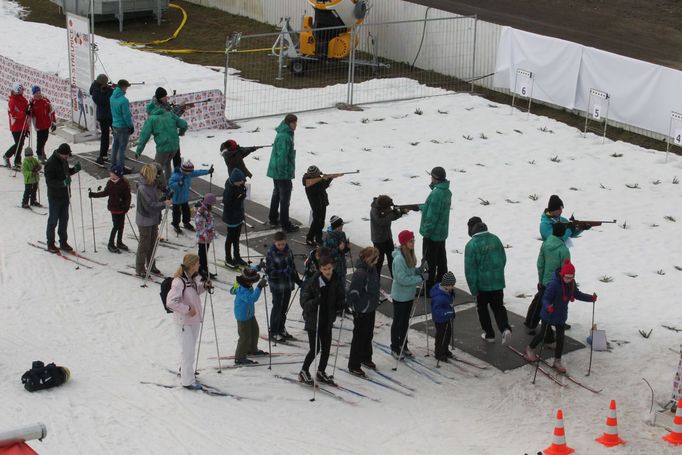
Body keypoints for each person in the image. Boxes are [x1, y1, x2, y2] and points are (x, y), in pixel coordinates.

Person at [525, 260, 597, 373]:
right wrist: (548, 306)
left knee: (560, 338)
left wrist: (590, 298)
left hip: (560, 315)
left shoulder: (571, 284)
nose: (568, 280)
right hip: (548, 313)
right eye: (567, 277)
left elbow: (577, 294)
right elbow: (545, 298)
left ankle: (557, 361)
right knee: (542, 334)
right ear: (562, 275)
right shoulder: (554, 284)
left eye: (571, 277)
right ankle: (530, 348)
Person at [166, 253, 213, 389]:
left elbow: (194, 292)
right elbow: (171, 302)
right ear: (192, 265)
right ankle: (187, 381)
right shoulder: (178, 282)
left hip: (194, 320)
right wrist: (187, 309)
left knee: (190, 349)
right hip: (183, 322)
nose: (199, 265)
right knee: (188, 351)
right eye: (197, 263)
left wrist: (205, 286)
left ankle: (185, 370)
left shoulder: (192, 279)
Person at [464, 216, 512, 345]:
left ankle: (489, 334)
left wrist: (473, 290)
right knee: (498, 307)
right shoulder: (495, 239)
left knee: (482, 309)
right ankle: (505, 329)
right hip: (497, 283)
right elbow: (503, 259)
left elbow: (470, 270)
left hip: (482, 286)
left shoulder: (471, 245)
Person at [298, 256, 345, 385]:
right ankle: (303, 371)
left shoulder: (336, 280)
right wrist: (315, 301)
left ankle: (321, 371)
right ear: (320, 269)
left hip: (327, 319)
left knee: (326, 348)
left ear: (333, 267)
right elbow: (304, 302)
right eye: (324, 269)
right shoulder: (314, 281)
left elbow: (340, 296)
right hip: (314, 320)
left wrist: (341, 304)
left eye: (329, 268)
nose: (327, 271)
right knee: (315, 348)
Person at [525, 222, 571, 337]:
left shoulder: (545, 244)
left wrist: (541, 280)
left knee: (541, 302)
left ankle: (531, 323)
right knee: (552, 307)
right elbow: (566, 271)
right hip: (557, 284)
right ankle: (549, 334)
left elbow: (540, 264)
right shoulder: (564, 250)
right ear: (563, 233)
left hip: (546, 282)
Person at [136, 87, 188, 186]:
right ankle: (170, 184)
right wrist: (181, 132)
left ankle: (163, 186)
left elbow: (144, 136)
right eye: (164, 96)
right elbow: (183, 124)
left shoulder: (151, 119)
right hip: (174, 145)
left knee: (157, 167)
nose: (166, 98)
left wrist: (139, 150)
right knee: (167, 164)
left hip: (163, 147)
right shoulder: (168, 113)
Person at [390, 230, 428, 358]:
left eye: (413, 240)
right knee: (398, 322)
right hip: (400, 296)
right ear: (404, 243)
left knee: (405, 322)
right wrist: (420, 278)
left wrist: (419, 270)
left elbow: (410, 273)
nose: (413, 243)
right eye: (410, 241)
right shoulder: (399, 259)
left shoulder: (409, 254)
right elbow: (403, 279)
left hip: (408, 295)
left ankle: (403, 344)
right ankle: (395, 347)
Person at [347, 246, 381, 377]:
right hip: (361, 309)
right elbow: (354, 291)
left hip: (370, 308)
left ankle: (365, 357)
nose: (378, 260)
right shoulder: (360, 273)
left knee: (368, 335)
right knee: (359, 337)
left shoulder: (372, 270)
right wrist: (349, 303)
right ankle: (353, 364)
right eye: (376, 257)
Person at [419, 166, 452, 293]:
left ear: (435, 178)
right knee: (441, 260)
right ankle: (441, 284)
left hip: (432, 234)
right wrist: (420, 207)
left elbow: (432, 216)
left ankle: (427, 288)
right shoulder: (446, 192)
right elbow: (436, 209)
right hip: (441, 233)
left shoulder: (436, 193)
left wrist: (426, 233)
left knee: (428, 262)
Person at [135, 163, 171, 277]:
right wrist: (163, 203)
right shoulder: (143, 188)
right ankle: (140, 268)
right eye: (156, 175)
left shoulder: (153, 182)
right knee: (144, 245)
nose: (157, 177)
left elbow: (160, 183)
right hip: (145, 219)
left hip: (154, 218)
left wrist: (167, 191)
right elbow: (149, 206)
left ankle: (151, 264)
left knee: (153, 243)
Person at [44, 144, 81, 253]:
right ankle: (50, 243)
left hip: (65, 195)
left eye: (67, 155)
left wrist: (74, 169)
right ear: (60, 153)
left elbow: (66, 173)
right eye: (65, 155)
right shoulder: (50, 163)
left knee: (64, 220)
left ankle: (63, 242)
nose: (66, 157)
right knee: (53, 220)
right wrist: (63, 183)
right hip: (55, 196)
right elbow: (49, 182)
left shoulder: (63, 160)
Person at [265, 231, 302, 341]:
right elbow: (270, 272)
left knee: (284, 308)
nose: (281, 246)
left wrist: (297, 280)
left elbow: (293, 267)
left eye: (283, 244)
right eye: (279, 244)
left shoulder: (288, 251)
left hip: (287, 285)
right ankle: (274, 331)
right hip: (277, 286)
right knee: (277, 308)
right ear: (274, 242)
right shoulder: (271, 253)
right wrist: (281, 272)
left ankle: (281, 328)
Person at [266, 113, 299, 232]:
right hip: (282, 172)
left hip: (276, 171)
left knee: (277, 194)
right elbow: (282, 156)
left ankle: (273, 218)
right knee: (285, 199)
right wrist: (284, 173)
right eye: (294, 123)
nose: (296, 125)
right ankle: (285, 224)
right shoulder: (285, 136)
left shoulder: (283, 134)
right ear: (288, 123)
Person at [88, 164, 132, 253]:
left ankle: (119, 242)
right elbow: (105, 193)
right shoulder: (110, 182)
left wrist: (126, 207)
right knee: (116, 226)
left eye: (112, 173)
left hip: (121, 209)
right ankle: (110, 244)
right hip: (114, 209)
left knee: (121, 226)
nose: (110, 174)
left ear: (117, 175)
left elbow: (128, 197)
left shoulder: (124, 184)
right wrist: (94, 195)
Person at [231, 268, 268, 365]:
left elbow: (250, 269)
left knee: (255, 331)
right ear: (248, 281)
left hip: (250, 314)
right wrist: (259, 287)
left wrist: (259, 266)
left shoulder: (246, 281)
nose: (253, 284)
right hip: (243, 316)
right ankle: (239, 357)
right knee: (244, 337)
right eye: (252, 282)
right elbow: (252, 298)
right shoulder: (242, 290)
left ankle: (252, 349)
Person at [167, 160, 212, 234]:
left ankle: (186, 222)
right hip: (177, 199)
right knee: (176, 213)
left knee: (186, 212)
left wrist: (208, 171)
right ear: (184, 170)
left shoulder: (189, 173)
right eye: (189, 172)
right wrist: (178, 184)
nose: (190, 173)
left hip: (184, 198)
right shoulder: (176, 175)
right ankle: (175, 224)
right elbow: (171, 184)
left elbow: (198, 172)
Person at [302, 165, 341, 246]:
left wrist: (327, 177)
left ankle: (318, 238)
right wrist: (330, 178)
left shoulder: (315, 179)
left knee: (321, 221)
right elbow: (322, 186)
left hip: (321, 202)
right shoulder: (309, 183)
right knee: (316, 221)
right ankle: (309, 238)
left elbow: (321, 183)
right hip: (317, 205)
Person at [370, 195, 405, 279]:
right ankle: (375, 280)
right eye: (388, 206)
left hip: (388, 237)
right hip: (378, 240)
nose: (389, 208)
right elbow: (382, 221)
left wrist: (400, 213)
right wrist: (392, 213)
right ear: (383, 206)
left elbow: (392, 217)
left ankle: (395, 278)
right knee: (379, 261)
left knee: (392, 259)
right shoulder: (374, 210)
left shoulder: (385, 207)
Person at [222, 168, 247, 268]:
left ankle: (237, 256)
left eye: (242, 181)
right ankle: (228, 258)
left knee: (236, 238)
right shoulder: (229, 189)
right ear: (234, 181)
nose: (242, 182)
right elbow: (227, 203)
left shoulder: (239, 185)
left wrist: (243, 193)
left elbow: (240, 194)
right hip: (231, 218)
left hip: (239, 216)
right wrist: (238, 199)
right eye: (240, 181)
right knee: (230, 238)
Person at [430, 271, 457, 362]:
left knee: (448, 333)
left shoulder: (446, 290)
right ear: (446, 285)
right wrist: (450, 312)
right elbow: (438, 311)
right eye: (452, 285)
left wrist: (451, 294)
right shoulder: (439, 297)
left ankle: (445, 349)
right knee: (441, 335)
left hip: (446, 317)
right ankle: (439, 353)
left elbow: (448, 302)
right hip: (440, 319)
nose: (453, 287)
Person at [89, 74, 114, 165]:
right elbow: (103, 101)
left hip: (107, 115)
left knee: (111, 134)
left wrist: (109, 89)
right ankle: (103, 155)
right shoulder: (96, 90)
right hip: (104, 116)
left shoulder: (97, 88)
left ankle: (108, 154)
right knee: (105, 136)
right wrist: (109, 91)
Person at [4, 82, 30, 169]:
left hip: (23, 125)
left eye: (22, 90)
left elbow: (27, 110)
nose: (22, 91)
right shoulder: (12, 101)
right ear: (16, 91)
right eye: (21, 90)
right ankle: (8, 156)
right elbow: (13, 114)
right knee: (19, 144)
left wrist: (30, 108)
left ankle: (17, 161)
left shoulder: (23, 100)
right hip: (15, 126)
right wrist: (24, 113)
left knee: (20, 144)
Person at [110, 79, 133, 168]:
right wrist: (130, 126)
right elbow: (126, 115)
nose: (126, 89)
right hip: (123, 126)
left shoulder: (112, 97)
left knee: (115, 145)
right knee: (122, 148)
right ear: (123, 87)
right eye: (126, 87)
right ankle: (120, 167)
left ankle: (113, 165)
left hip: (115, 125)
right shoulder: (124, 100)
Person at [29, 86, 56, 163]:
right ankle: (39, 155)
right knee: (40, 141)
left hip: (46, 124)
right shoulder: (32, 102)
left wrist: (53, 122)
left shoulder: (45, 100)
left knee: (45, 139)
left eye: (39, 92)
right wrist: (30, 108)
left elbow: (52, 111)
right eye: (36, 93)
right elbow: (30, 114)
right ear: (33, 94)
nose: (38, 94)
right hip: (39, 125)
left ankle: (42, 151)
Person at [194, 192, 217, 279]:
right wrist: (204, 234)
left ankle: (203, 268)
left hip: (208, 235)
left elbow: (210, 220)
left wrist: (211, 230)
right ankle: (202, 269)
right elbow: (199, 226)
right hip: (203, 237)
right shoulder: (201, 212)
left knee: (205, 253)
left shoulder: (206, 210)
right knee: (202, 254)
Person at [323, 215, 349, 283]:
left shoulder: (342, 234)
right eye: (340, 226)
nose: (342, 227)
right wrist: (338, 249)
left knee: (342, 286)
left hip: (342, 267)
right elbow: (326, 254)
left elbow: (344, 250)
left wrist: (347, 247)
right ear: (336, 226)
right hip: (333, 269)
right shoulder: (328, 237)